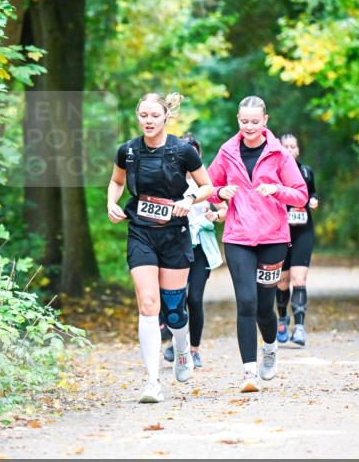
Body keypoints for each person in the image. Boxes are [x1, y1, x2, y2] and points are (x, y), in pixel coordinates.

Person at [107, 93, 214, 403]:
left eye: (155, 115)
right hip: (140, 231)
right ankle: (152, 382)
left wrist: (189, 200)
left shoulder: (182, 151)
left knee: (174, 309)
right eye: (143, 115)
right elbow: (116, 181)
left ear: (166, 117)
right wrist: (111, 202)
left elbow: (206, 186)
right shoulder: (127, 151)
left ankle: (182, 349)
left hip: (174, 233)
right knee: (148, 304)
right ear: (138, 117)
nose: (149, 120)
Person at [208, 96, 308, 393]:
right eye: (243, 121)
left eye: (254, 121)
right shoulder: (227, 151)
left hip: (273, 239)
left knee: (265, 307)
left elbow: (300, 195)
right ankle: (248, 373)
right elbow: (209, 188)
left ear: (265, 121)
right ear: (237, 119)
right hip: (238, 237)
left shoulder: (279, 154)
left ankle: (270, 346)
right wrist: (220, 192)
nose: (249, 127)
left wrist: (277, 189)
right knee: (246, 302)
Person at [161, 132, 227, 369]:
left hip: (200, 250)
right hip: (174, 247)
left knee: (194, 298)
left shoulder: (206, 182)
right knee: (173, 298)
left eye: (193, 151)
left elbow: (225, 210)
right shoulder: (169, 180)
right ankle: (177, 342)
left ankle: (195, 350)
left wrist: (215, 214)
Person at [276, 133, 318, 346]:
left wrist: (313, 200)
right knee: (282, 282)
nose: (290, 150)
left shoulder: (306, 171)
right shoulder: (273, 173)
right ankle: (282, 319)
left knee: (299, 280)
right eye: (286, 146)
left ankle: (299, 327)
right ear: (279, 149)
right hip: (279, 232)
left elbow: (313, 193)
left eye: (293, 146)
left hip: (302, 231)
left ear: (298, 150)